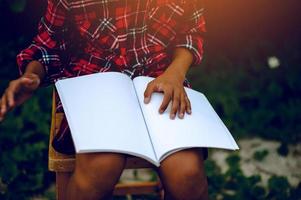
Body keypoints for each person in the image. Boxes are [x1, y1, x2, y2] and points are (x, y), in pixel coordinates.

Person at [0, 0, 208, 199]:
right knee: (100, 168)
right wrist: (32, 75)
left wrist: (176, 73)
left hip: (162, 79)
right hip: (94, 80)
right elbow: (49, 43)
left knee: (187, 176)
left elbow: (190, 30)